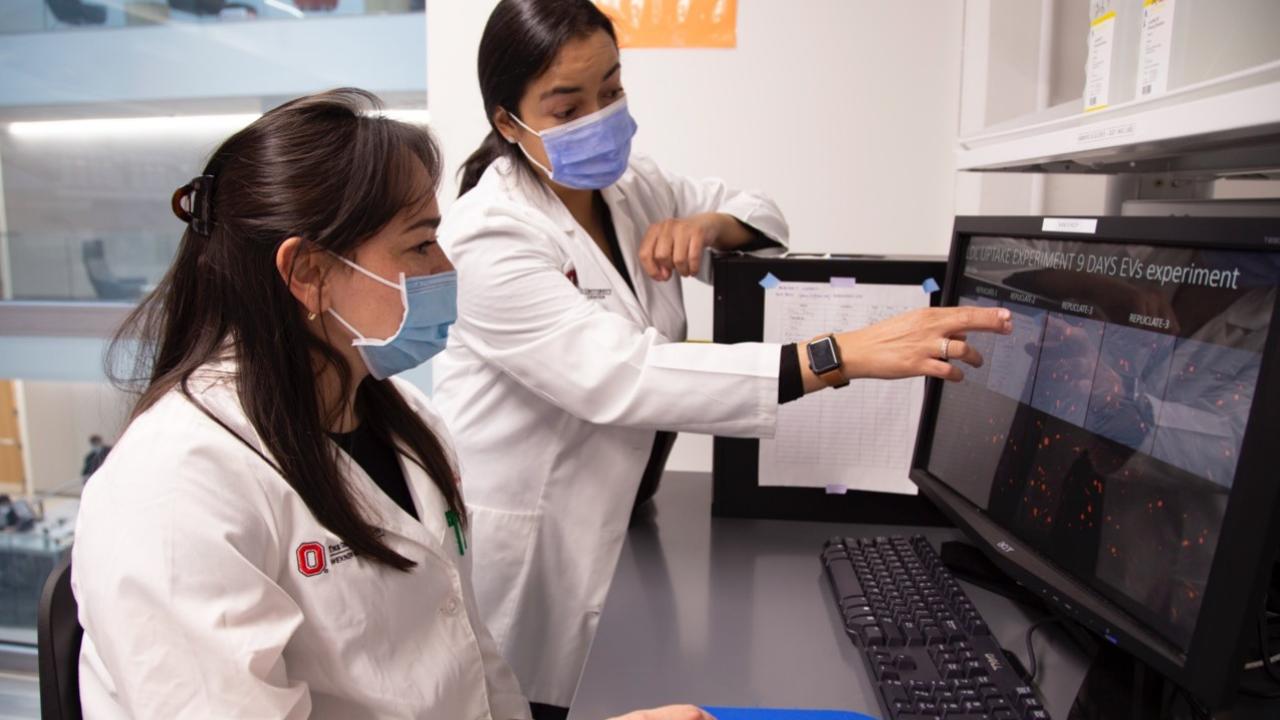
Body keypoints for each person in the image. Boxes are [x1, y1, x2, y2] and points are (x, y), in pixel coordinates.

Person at [432, 2, 1014, 717]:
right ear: (506, 121)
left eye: (612, 90)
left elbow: (761, 213)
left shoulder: (633, 188)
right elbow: (627, 376)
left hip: (624, 523)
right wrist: (844, 355)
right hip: (532, 551)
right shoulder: (486, 236)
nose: (601, 115)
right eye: (568, 106)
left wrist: (707, 225)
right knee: (535, 703)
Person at [71, 88, 707, 720]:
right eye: (420, 243)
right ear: (307, 273)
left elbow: (472, 674)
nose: (446, 264)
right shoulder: (178, 487)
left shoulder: (403, 419)